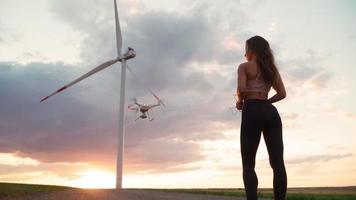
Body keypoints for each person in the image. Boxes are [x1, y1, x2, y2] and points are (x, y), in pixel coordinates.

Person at [236, 35, 287, 200]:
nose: (245, 54)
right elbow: (282, 94)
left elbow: (242, 89)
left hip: (251, 110)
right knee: (278, 163)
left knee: (248, 164)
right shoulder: (271, 69)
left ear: (251, 50)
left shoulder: (244, 67)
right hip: (270, 112)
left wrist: (239, 102)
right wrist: (266, 102)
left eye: (246, 50)